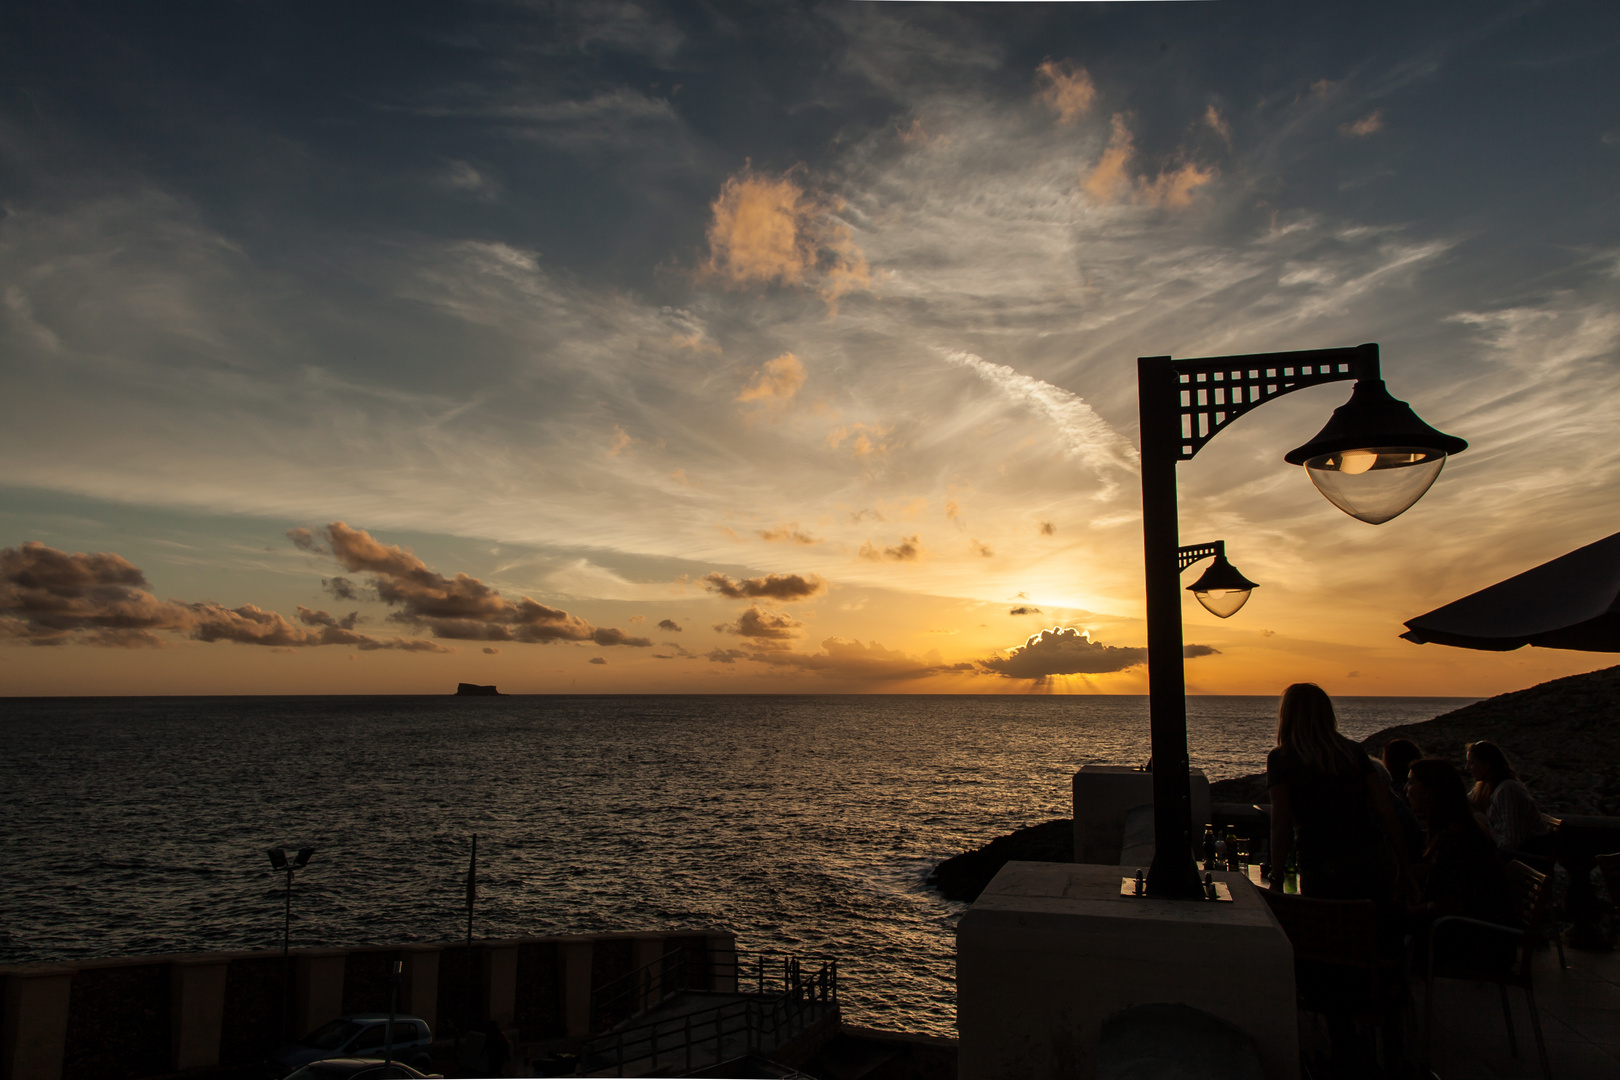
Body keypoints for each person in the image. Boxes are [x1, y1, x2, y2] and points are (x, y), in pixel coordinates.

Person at [1266, 683, 1413, 901]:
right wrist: (1403, 867)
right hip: (1372, 857)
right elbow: (1386, 810)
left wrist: (1276, 877)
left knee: (1328, 931)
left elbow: (1282, 823)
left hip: (1321, 863)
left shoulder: (1282, 758)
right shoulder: (1353, 751)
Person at [1406, 758, 1515, 970]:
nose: (1405, 788)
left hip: (1474, 942)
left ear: (1430, 791)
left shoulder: (1457, 839)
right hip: (1479, 935)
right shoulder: (1458, 829)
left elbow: (1449, 905)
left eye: (1411, 783)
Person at [1466, 740, 1553, 857]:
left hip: (1525, 858)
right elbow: (1465, 802)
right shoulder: (1485, 787)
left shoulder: (1507, 790)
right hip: (1512, 853)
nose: (1467, 768)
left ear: (1486, 765)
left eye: (1471, 763)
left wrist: (1486, 828)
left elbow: (1513, 841)